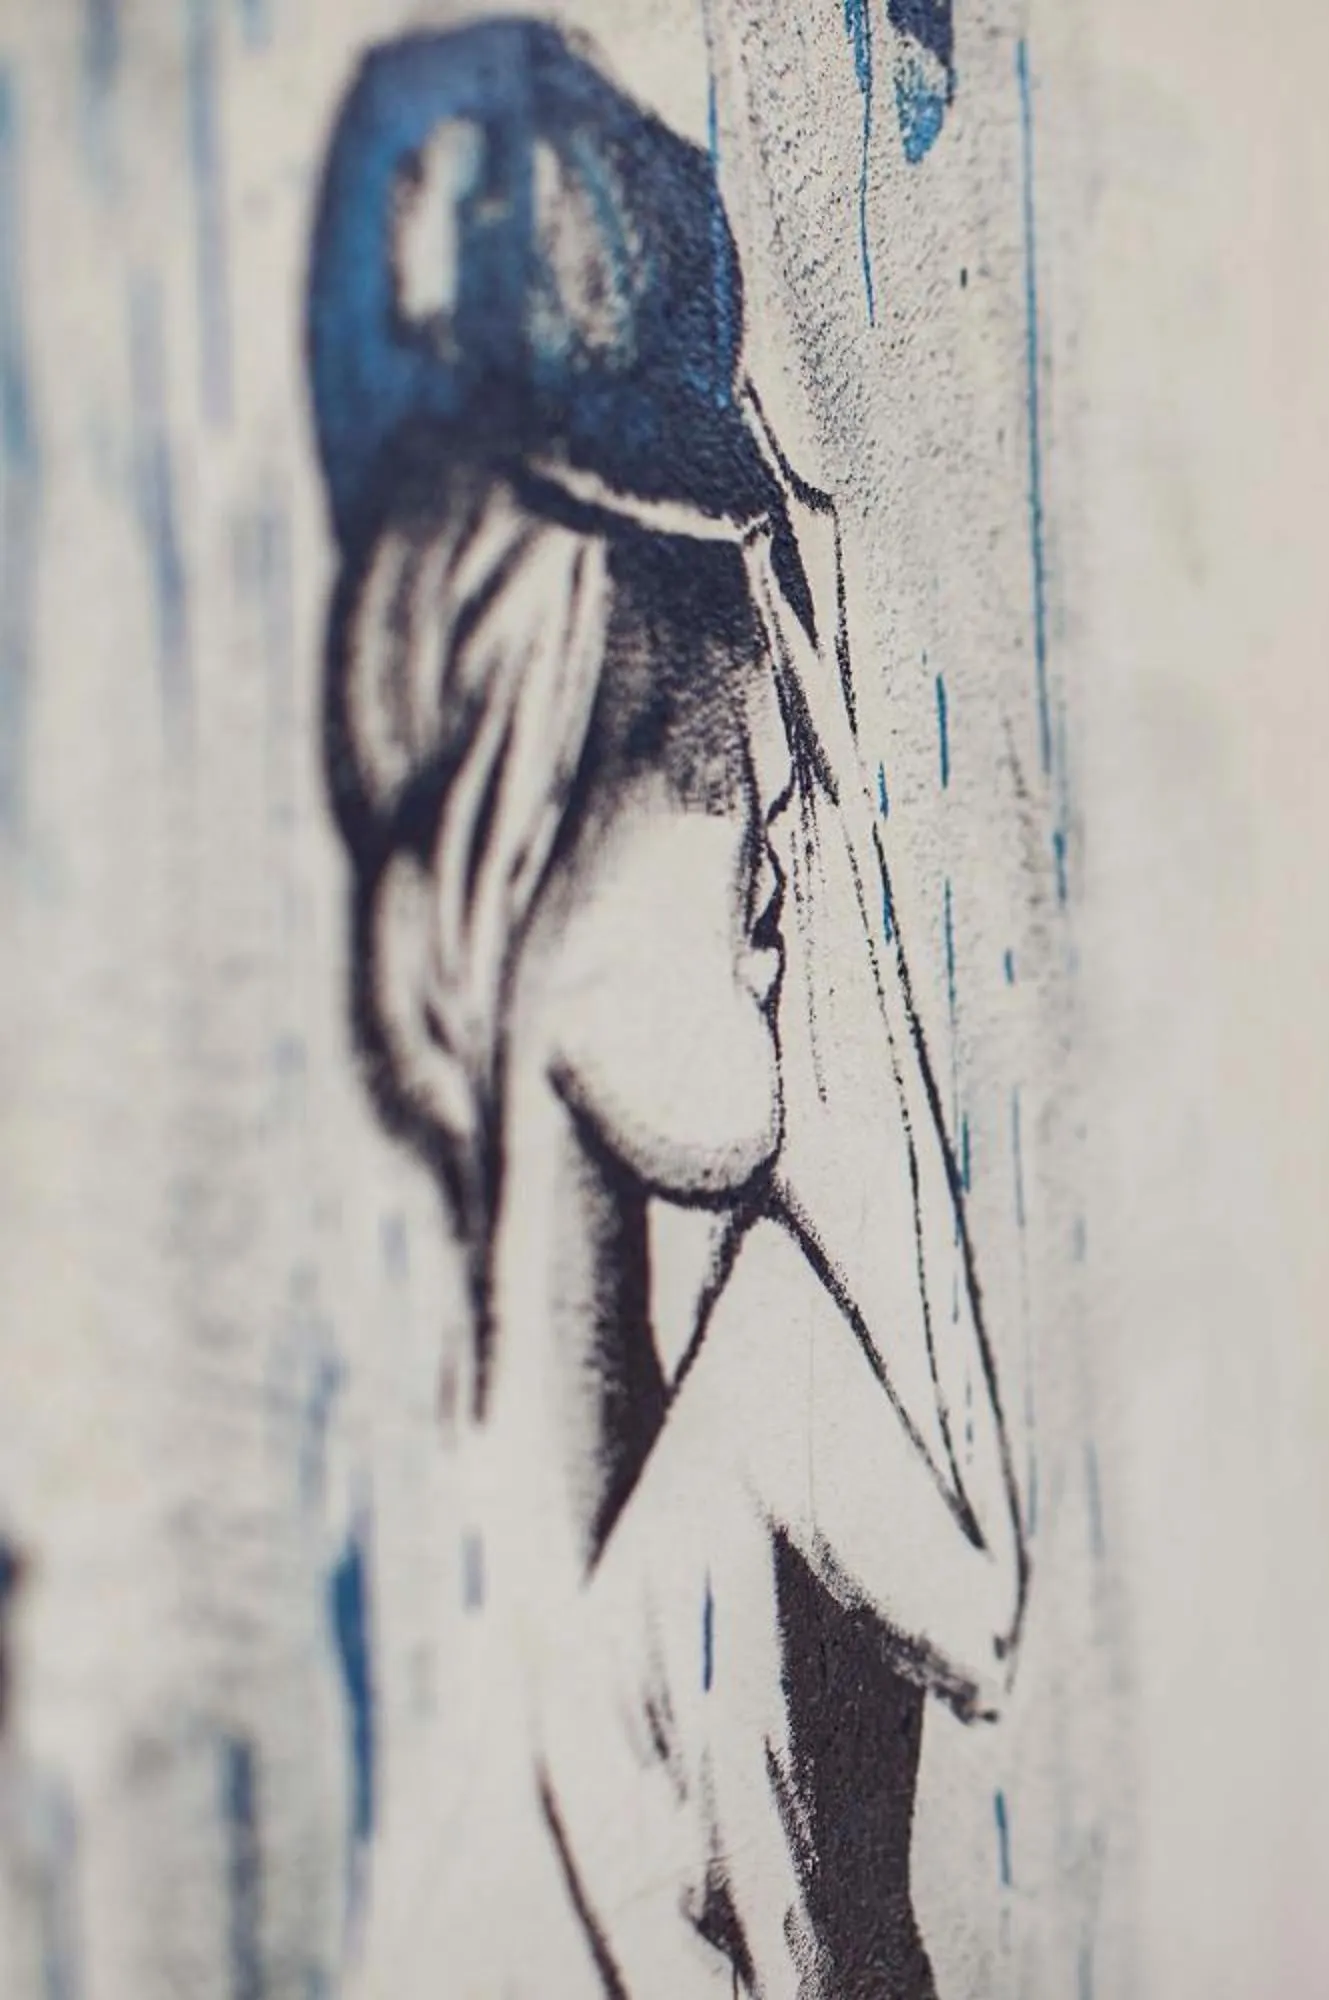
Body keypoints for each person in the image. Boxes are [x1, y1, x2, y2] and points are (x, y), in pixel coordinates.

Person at [310, 20, 1028, 1990]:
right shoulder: (736, 1431)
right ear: (515, 774)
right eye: (705, 724)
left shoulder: (709, 1486)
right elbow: (983, 1583)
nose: (787, 808)